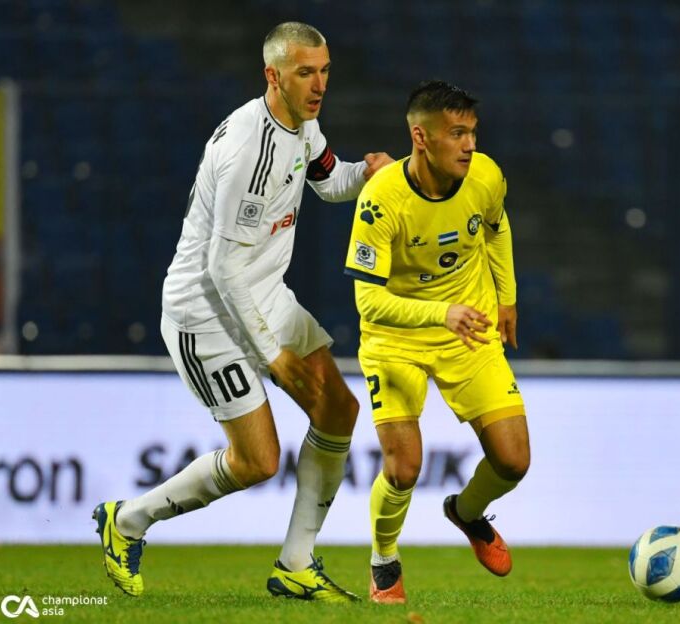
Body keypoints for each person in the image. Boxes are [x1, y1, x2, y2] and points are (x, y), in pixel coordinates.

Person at [93, 22, 392, 602]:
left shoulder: (302, 125)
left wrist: (367, 174)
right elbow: (222, 267)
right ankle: (126, 520)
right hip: (205, 313)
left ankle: (296, 565)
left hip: (262, 294)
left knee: (339, 409)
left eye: (325, 71)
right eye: (306, 73)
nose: (320, 85)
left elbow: (328, 180)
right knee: (257, 462)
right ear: (272, 76)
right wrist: (272, 354)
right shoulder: (248, 152)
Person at [343, 80, 531, 604]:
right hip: (396, 339)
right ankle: (384, 560)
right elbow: (368, 302)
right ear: (421, 138)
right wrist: (440, 312)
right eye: (456, 134)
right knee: (404, 468)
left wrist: (507, 298)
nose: (469, 145)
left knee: (514, 461)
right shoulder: (381, 200)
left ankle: (466, 513)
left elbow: (496, 227)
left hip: (468, 329)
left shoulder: (486, 176)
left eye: (472, 132)